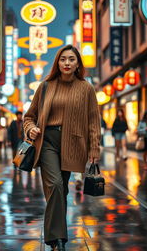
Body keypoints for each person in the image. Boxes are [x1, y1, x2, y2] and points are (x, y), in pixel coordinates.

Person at [23, 45, 101, 250]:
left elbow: (93, 120)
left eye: (71, 60)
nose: (67, 63)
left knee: (61, 190)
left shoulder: (86, 88)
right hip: (47, 141)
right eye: (63, 59)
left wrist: (94, 148)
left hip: (73, 143)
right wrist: (30, 129)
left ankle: (55, 236)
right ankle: (58, 239)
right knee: (56, 185)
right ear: (57, 62)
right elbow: (29, 116)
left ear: (78, 64)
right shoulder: (46, 86)